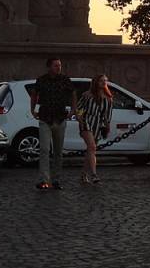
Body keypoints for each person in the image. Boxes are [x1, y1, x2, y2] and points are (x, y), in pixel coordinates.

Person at [29, 58, 77, 191]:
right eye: (56, 65)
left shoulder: (65, 80)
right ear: (49, 66)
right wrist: (32, 109)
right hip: (45, 118)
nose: (59, 67)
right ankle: (44, 180)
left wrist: (73, 110)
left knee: (58, 152)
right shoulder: (41, 80)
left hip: (60, 118)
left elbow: (73, 93)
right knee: (44, 150)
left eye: (60, 65)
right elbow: (34, 93)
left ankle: (56, 179)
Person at [75, 74, 114, 185]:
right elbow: (80, 109)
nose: (103, 83)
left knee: (91, 150)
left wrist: (107, 127)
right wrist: (80, 119)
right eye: (101, 81)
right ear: (96, 82)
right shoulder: (87, 95)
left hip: (98, 124)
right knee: (92, 146)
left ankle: (84, 174)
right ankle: (94, 174)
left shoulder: (108, 98)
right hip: (87, 122)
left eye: (105, 81)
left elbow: (107, 115)